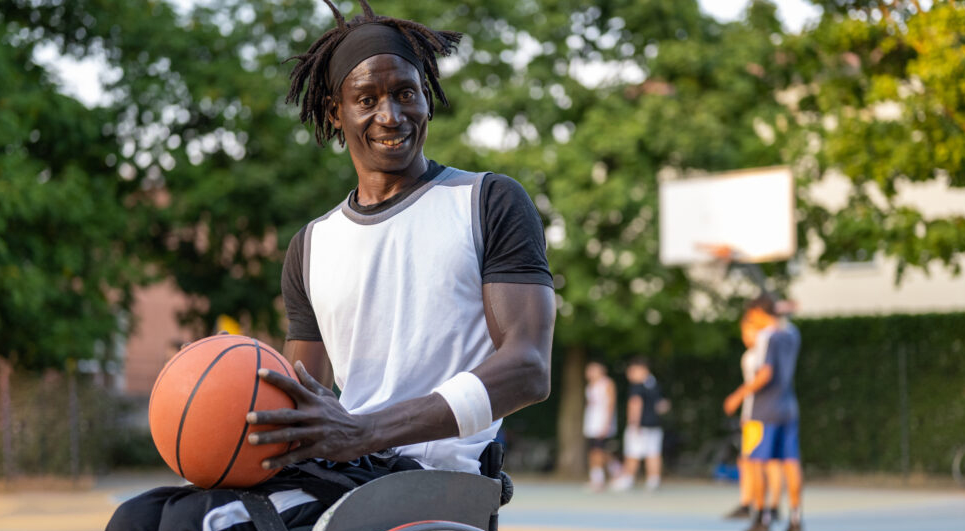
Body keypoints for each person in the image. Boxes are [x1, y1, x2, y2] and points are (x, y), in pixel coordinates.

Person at [106, 1, 555, 529]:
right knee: (140, 518)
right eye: (366, 99)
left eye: (405, 93)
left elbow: (529, 369)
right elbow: (300, 400)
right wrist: (217, 415)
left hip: (435, 481)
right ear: (334, 112)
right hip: (344, 469)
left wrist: (365, 431)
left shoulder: (488, 201)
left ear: (427, 99)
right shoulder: (312, 245)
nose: (391, 116)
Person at [724, 294, 803, 531]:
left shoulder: (767, 336)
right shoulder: (792, 334)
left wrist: (738, 395)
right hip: (788, 407)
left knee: (756, 463)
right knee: (790, 462)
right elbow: (785, 315)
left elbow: (765, 373)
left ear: (759, 312)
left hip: (764, 409)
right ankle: (796, 517)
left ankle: (761, 517)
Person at [724, 309, 773, 519]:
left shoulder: (764, 355)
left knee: (760, 462)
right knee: (747, 460)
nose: (745, 336)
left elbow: (761, 382)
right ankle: (750, 502)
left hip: (763, 415)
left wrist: (737, 397)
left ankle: (762, 505)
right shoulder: (749, 356)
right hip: (752, 415)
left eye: (749, 331)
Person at [611, 357, 670, 492]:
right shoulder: (655, 384)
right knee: (653, 453)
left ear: (642, 369)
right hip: (655, 425)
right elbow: (663, 405)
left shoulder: (637, 386)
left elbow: (635, 404)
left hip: (640, 426)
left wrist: (633, 424)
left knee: (632, 452)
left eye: (632, 371)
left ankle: (627, 479)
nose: (629, 374)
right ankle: (653, 481)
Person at [583, 360, 618, 492]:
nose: (589, 373)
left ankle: (600, 478)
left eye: (593, 370)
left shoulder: (607, 384)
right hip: (591, 423)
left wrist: (607, 423)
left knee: (599, 451)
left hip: (602, 422)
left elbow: (611, 404)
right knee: (594, 451)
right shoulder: (589, 386)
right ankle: (605, 475)